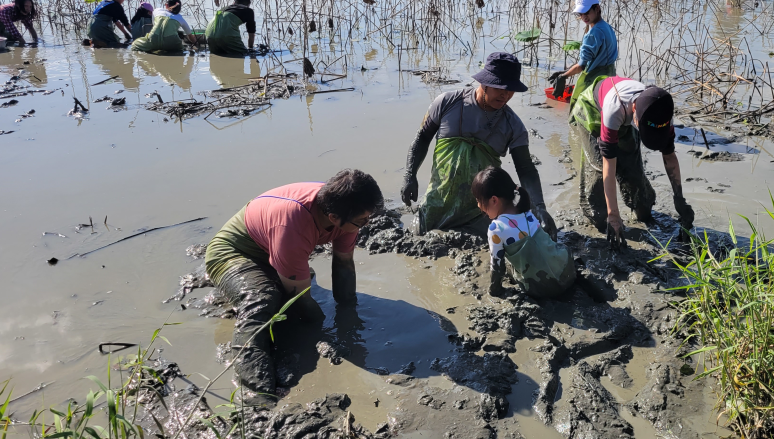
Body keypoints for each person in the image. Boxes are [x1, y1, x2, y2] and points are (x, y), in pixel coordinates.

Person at [204, 170, 384, 402]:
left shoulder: (345, 206)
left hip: (274, 249)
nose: (366, 224)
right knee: (262, 300)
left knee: (291, 292)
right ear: (332, 217)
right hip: (232, 254)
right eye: (362, 221)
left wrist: (350, 311)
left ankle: (283, 271)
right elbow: (299, 298)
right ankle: (255, 389)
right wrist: (320, 327)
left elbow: (344, 264)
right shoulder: (293, 225)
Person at [401, 52, 557, 238]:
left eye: (511, 89)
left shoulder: (513, 126)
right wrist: (410, 175)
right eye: (500, 87)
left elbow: (525, 169)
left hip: (480, 212)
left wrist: (539, 208)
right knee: (415, 237)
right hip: (437, 204)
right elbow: (422, 139)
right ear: (485, 82)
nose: (506, 94)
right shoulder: (446, 103)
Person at [572, 76, 694, 246]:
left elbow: (669, 156)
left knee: (633, 171)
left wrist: (679, 198)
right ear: (634, 109)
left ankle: (641, 206)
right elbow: (609, 164)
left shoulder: (661, 112)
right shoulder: (614, 108)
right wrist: (613, 215)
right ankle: (600, 219)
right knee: (599, 172)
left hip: (628, 117)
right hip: (593, 110)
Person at [472, 167, 575, 298]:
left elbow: (497, 266)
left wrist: (494, 291)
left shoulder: (495, 229)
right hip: (567, 273)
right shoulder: (528, 212)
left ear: (494, 200)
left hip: (540, 289)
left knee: (510, 266)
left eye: (479, 201)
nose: (479, 206)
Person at [548, 0, 618, 116]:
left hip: (595, 79)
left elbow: (582, 66)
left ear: (597, 8)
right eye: (581, 14)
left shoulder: (593, 34)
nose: (584, 17)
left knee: (580, 113)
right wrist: (565, 71)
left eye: (586, 12)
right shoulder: (607, 27)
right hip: (611, 75)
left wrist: (563, 77)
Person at [131, 0, 197, 53]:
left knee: (134, 45)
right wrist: (196, 44)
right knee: (182, 49)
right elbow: (190, 37)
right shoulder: (180, 18)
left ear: (166, 5)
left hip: (153, 39)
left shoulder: (157, 11)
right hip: (172, 42)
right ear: (179, 9)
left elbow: (155, 25)